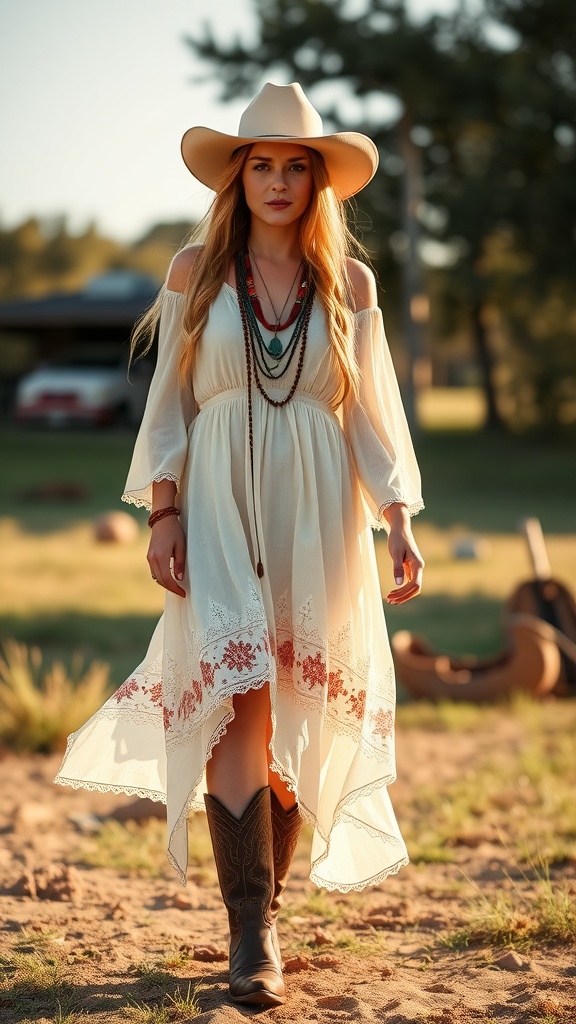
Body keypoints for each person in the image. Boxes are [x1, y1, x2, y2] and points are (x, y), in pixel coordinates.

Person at [55, 82, 424, 1007]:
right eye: (261, 164)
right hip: (217, 503)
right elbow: (169, 405)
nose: (278, 181)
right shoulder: (196, 274)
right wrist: (163, 511)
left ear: (317, 182)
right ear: (237, 177)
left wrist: (401, 523)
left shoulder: (351, 285)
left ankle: (267, 903)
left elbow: (375, 419)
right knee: (241, 694)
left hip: (319, 508)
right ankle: (251, 934)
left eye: (296, 167)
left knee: (295, 712)